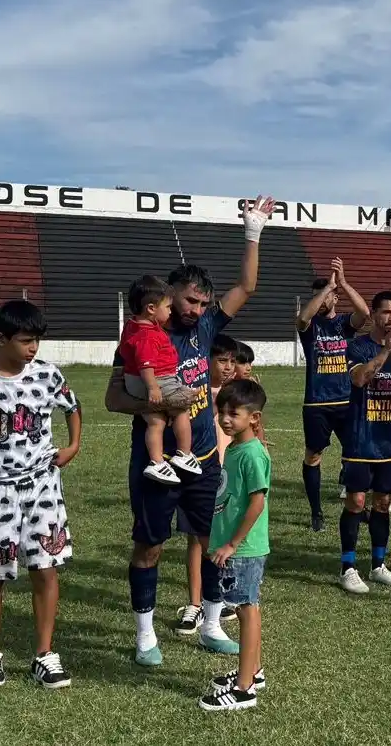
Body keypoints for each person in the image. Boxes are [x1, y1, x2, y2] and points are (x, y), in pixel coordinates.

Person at [103, 194, 274, 666]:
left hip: (204, 458)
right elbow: (112, 399)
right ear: (169, 295)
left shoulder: (207, 325)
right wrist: (155, 402)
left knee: (212, 542)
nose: (197, 310)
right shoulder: (141, 333)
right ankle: (144, 636)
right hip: (157, 462)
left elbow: (248, 284)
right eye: (189, 300)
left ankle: (213, 624)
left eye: (203, 303)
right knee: (150, 545)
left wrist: (253, 230)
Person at [0, 300, 82, 687]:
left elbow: (72, 406)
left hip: (42, 484)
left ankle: (45, 654)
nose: (33, 349)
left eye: (37, 340)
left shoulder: (45, 375)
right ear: (1, 338)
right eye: (26, 341)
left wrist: (72, 446)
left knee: (45, 567)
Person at [338, 291, 391, 594]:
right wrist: (385, 351)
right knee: (357, 500)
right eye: (387, 313)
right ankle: (348, 567)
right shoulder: (357, 346)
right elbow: (360, 379)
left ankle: (377, 564)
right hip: (362, 437)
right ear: (374, 314)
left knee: (383, 502)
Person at [199, 379, 271, 712]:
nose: (226, 419)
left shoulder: (252, 454)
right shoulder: (235, 449)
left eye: (234, 413)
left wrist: (232, 543)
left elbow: (257, 502)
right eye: (222, 412)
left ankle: (244, 689)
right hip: (235, 547)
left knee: (246, 610)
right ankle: (252, 673)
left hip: (244, 549)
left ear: (254, 418)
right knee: (246, 607)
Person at [297, 259, 370, 532]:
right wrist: (325, 287)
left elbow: (365, 314)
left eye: (328, 295)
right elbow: (303, 318)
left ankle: (356, 505)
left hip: (347, 400)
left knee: (356, 453)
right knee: (313, 455)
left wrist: (343, 283)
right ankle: (316, 512)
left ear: (336, 298)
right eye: (317, 296)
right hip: (317, 403)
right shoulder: (310, 326)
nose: (322, 300)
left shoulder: (343, 323)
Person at [118, 275, 203, 485]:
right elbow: (146, 364)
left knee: (156, 421)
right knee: (182, 408)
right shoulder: (147, 335)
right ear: (151, 308)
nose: (171, 311)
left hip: (134, 382)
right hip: (154, 379)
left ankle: (157, 463)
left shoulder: (134, 327)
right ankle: (184, 453)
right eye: (167, 306)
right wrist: (153, 387)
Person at [210, 333, 239, 466]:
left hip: (229, 461)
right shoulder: (199, 390)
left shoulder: (234, 391)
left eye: (232, 362)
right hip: (208, 461)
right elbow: (205, 416)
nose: (228, 367)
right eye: (222, 361)